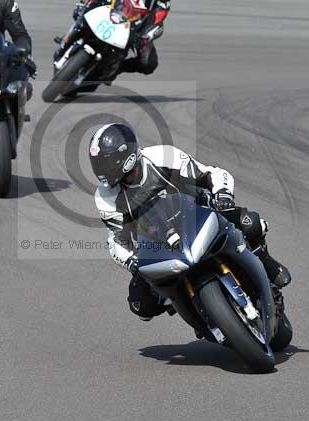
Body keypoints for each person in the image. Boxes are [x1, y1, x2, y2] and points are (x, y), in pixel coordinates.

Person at [89, 123, 291, 321]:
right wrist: (131, 261)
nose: (103, 170)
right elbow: (116, 240)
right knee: (140, 304)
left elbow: (210, 174)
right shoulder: (105, 198)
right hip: (158, 242)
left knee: (252, 224)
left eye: (106, 163)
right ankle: (190, 305)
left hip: (198, 214)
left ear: (126, 156)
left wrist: (222, 194)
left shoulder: (163, 157)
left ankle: (268, 265)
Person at [55, 0, 171, 78]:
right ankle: (66, 41)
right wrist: (89, 0)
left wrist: (145, 37)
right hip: (113, 9)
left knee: (149, 63)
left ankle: (116, 68)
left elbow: (158, 18)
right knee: (81, 13)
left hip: (136, 27)